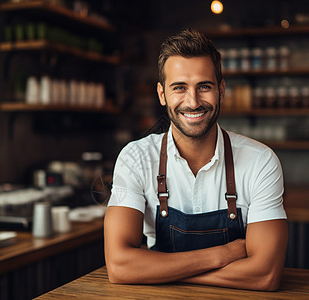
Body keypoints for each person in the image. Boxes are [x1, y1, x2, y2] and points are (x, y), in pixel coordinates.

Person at [104, 28, 288, 291]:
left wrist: (156, 270)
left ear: (221, 90)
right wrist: (220, 255)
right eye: (179, 87)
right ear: (161, 94)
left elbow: (265, 275)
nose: (193, 102)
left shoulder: (261, 162)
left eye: (204, 86)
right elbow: (120, 266)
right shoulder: (135, 159)